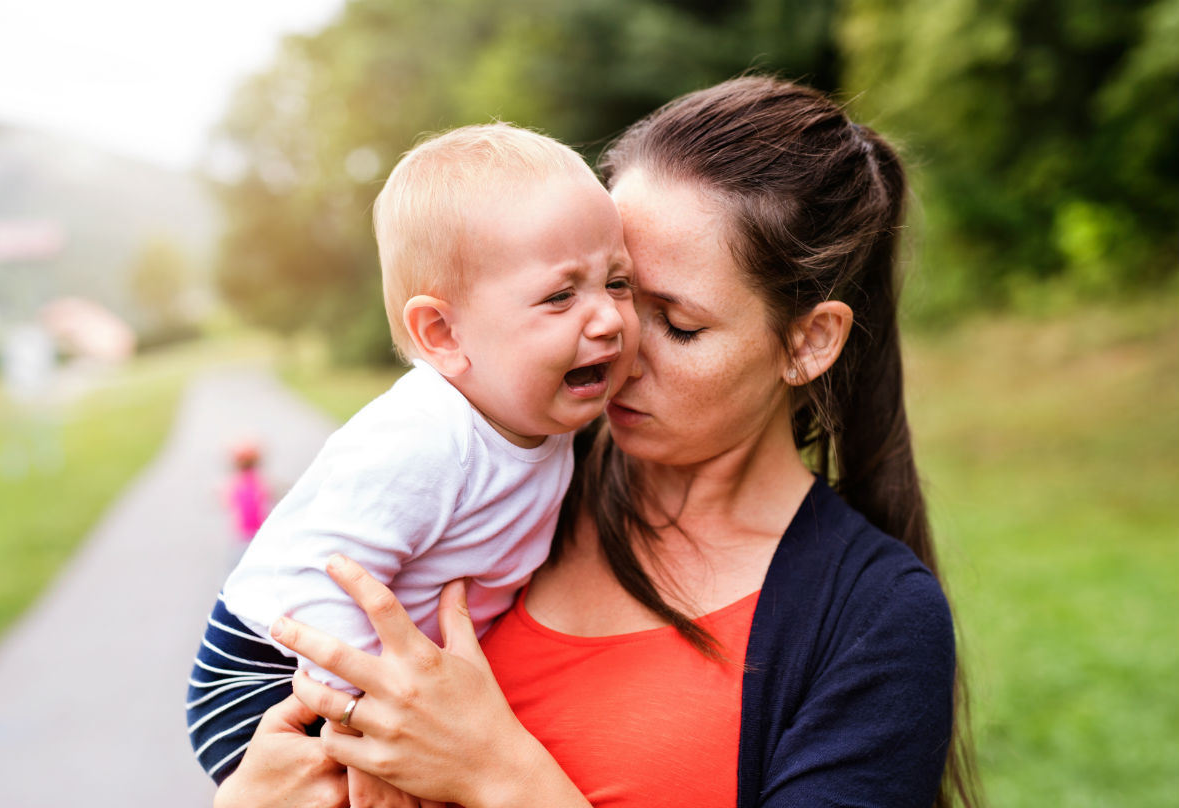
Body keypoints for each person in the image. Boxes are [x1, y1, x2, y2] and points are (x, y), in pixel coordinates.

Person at [194, 75, 979, 808]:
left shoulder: (876, 622)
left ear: (808, 343)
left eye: (678, 324)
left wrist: (500, 774)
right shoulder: (508, 484)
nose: (616, 342)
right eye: (613, 288)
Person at [189, 122, 638, 802]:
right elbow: (326, 583)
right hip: (265, 670)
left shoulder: (543, 418)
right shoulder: (424, 437)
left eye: (618, 281)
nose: (607, 319)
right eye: (560, 295)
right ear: (443, 333)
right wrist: (379, 722)